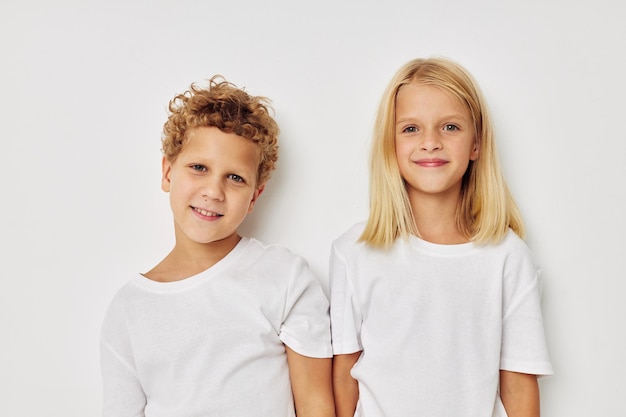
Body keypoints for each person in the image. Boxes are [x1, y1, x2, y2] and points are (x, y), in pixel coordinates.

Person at [330, 57, 553, 417]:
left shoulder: (508, 258)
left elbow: (519, 383)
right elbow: (344, 373)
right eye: (411, 129)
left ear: (476, 144)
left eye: (450, 127)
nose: (430, 142)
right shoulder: (354, 252)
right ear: (391, 144)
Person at [100, 76, 334, 417]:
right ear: (168, 173)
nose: (213, 191)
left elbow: (316, 405)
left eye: (235, 177)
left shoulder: (284, 277)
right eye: (198, 168)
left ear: (255, 196)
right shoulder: (129, 310)